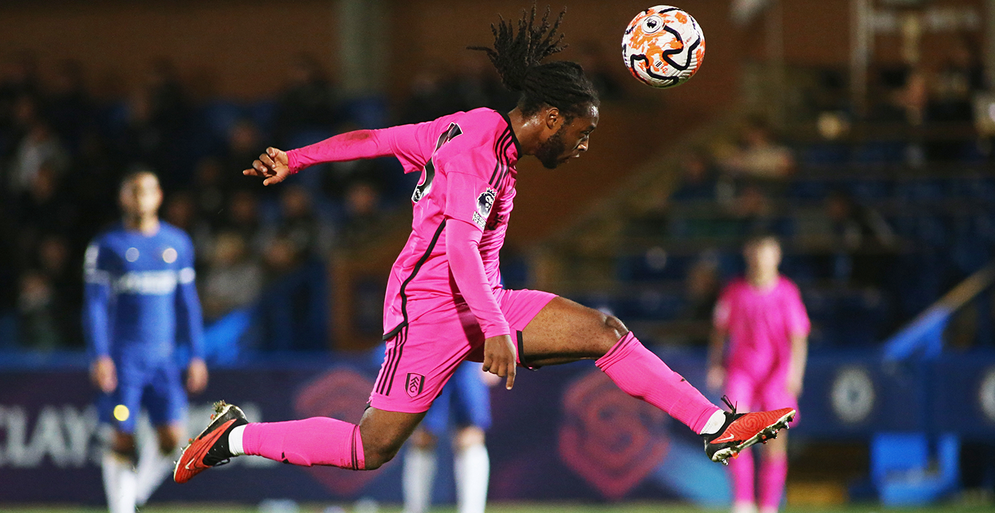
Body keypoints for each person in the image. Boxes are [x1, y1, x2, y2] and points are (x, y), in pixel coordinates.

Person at [174, 5, 794, 485]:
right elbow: (460, 250)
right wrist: (496, 330)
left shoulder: (472, 129)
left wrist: (299, 158)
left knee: (604, 331)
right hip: (431, 311)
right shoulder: (476, 151)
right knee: (371, 447)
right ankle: (234, 438)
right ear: (550, 118)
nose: (581, 147)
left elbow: (376, 138)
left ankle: (717, 426)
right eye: (581, 134)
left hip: (481, 298)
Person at [84, 170, 208, 512]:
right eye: (133, 191)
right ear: (123, 197)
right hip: (124, 362)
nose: (141, 198)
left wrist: (197, 355)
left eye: (147, 191)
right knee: (122, 434)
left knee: (173, 439)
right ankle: (121, 508)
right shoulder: (107, 246)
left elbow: (188, 304)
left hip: (165, 361)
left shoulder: (176, 244)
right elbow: (94, 307)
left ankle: (132, 494)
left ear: (159, 196)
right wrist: (100, 355)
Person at [706, 235, 810, 513]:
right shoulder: (734, 292)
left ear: (776, 257)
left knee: (774, 441)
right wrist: (716, 364)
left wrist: (795, 374)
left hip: (777, 375)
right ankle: (742, 503)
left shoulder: (787, 293)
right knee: (736, 433)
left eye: (766, 253)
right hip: (742, 372)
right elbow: (719, 331)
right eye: (756, 253)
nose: (760, 259)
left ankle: (769, 505)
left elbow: (798, 337)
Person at [404, 362, 495, 513]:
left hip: (469, 358)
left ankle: (472, 510)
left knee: (471, 433)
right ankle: (415, 509)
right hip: (432, 358)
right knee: (422, 434)